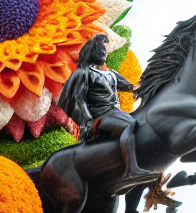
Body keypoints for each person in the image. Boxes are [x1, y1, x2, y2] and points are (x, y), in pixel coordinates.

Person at [57, 32, 144, 180]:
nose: (104, 54)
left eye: (105, 51)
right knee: (129, 125)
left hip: (116, 114)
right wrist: (87, 121)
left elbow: (132, 88)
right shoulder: (84, 73)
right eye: (101, 51)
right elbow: (79, 100)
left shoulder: (111, 74)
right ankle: (132, 170)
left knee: (138, 123)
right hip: (99, 118)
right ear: (92, 52)